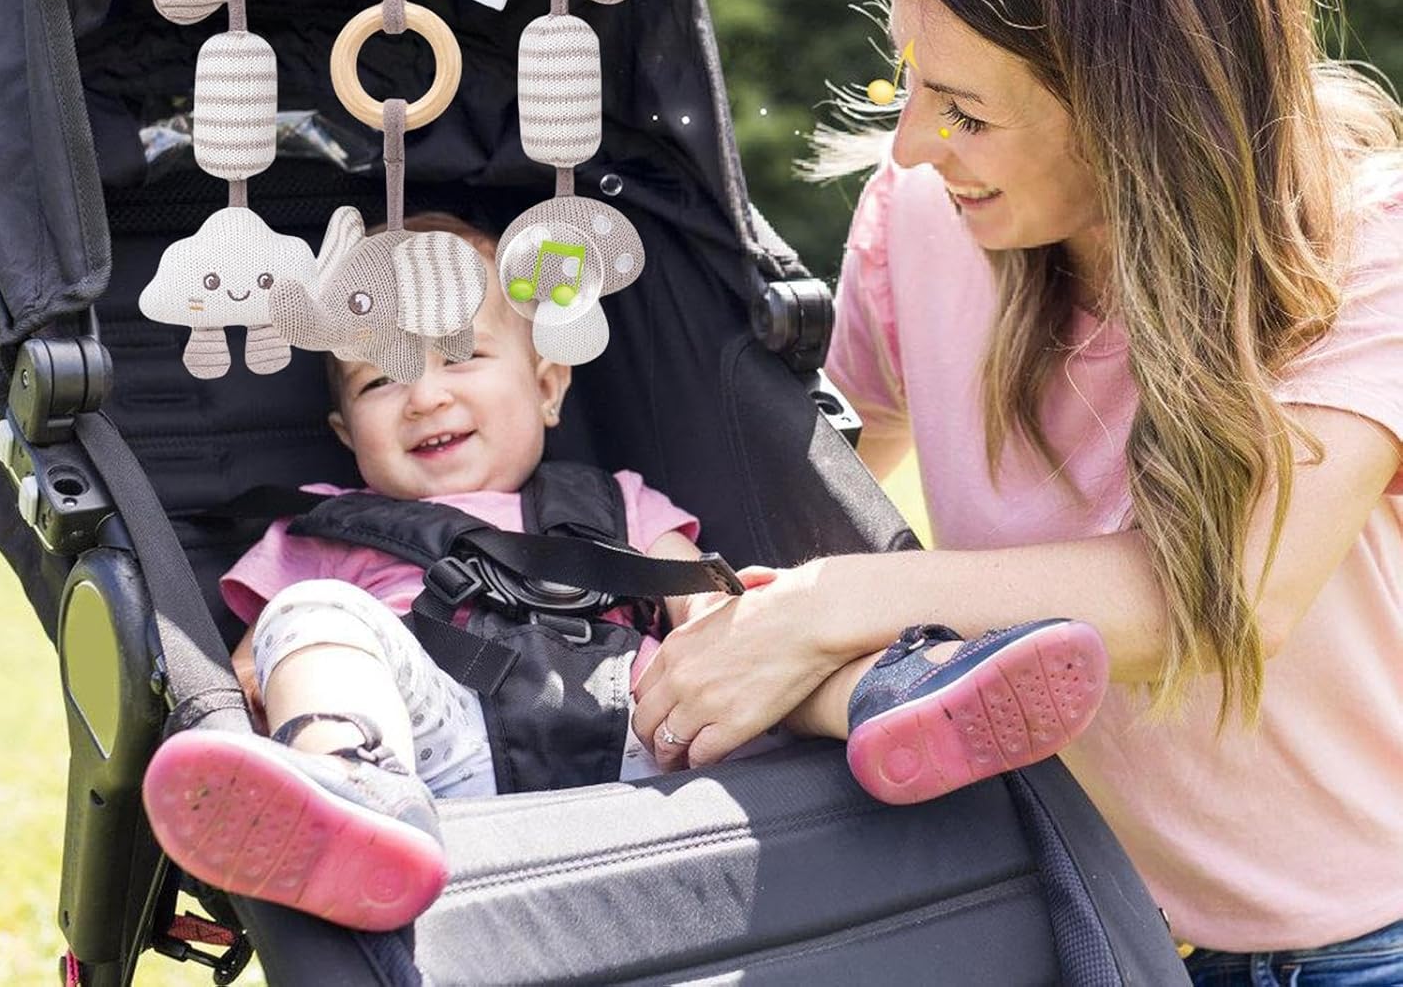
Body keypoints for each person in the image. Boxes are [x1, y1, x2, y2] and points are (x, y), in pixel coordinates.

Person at [629, 0, 1403, 982]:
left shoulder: (1360, 240)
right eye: (909, 84)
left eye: (964, 112)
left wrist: (835, 602)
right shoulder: (919, 217)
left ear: (1136, 112)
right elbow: (810, 485)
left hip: (1358, 948)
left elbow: (1229, 600)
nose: (910, 146)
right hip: (1079, 928)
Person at [141, 213, 1106, 933]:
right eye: (380, 378)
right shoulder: (323, 529)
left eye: (459, 355)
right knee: (314, 613)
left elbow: (707, 613)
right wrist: (270, 694)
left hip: (644, 729)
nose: (424, 393)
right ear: (345, 433)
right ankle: (342, 789)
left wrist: (749, 646)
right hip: (433, 755)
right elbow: (259, 661)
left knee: (759, 639)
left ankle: (895, 706)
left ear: (547, 385)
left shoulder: (617, 503)